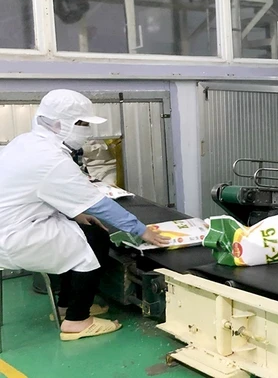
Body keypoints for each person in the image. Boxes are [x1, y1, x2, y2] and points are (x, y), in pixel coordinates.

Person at [0, 89, 170, 341]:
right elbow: (99, 204)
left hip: (18, 225)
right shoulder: (51, 158)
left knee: (88, 231)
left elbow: (42, 191)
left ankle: (67, 306)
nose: (86, 130)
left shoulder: (26, 142)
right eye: (81, 124)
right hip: (18, 236)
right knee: (93, 242)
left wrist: (77, 214)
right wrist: (142, 230)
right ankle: (76, 321)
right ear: (58, 123)